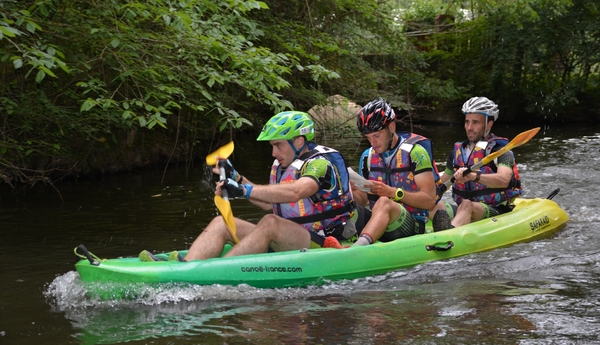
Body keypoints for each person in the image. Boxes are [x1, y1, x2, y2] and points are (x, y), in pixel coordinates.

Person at [139, 111, 360, 262]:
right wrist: (237, 180)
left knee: (270, 223)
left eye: (278, 145)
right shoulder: (283, 164)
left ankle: (216, 273)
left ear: (299, 141)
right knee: (221, 223)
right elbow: (267, 203)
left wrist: (243, 190)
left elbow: (296, 191)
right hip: (290, 235)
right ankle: (186, 267)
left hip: (323, 240)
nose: (273, 152)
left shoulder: (321, 163)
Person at [324, 97, 437, 248]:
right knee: (344, 205)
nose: (373, 143)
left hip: (412, 223)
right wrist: (350, 191)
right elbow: (364, 201)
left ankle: (358, 248)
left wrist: (394, 193)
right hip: (380, 220)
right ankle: (328, 242)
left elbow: (430, 200)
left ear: (391, 127)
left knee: (384, 201)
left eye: (376, 136)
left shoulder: (416, 153)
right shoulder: (367, 157)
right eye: (368, 138)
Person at [431, 96, 523, 231]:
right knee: (432, 206)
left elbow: (504, 180)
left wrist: (474, 176)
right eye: (467, 122)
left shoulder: (500, 151)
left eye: (475, 122)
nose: (469, 127)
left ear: (489, 124)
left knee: (467, 204)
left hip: (497, 209)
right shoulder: (456, 154)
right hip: (465, 208)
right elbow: (442, 181)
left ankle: (448, 235)